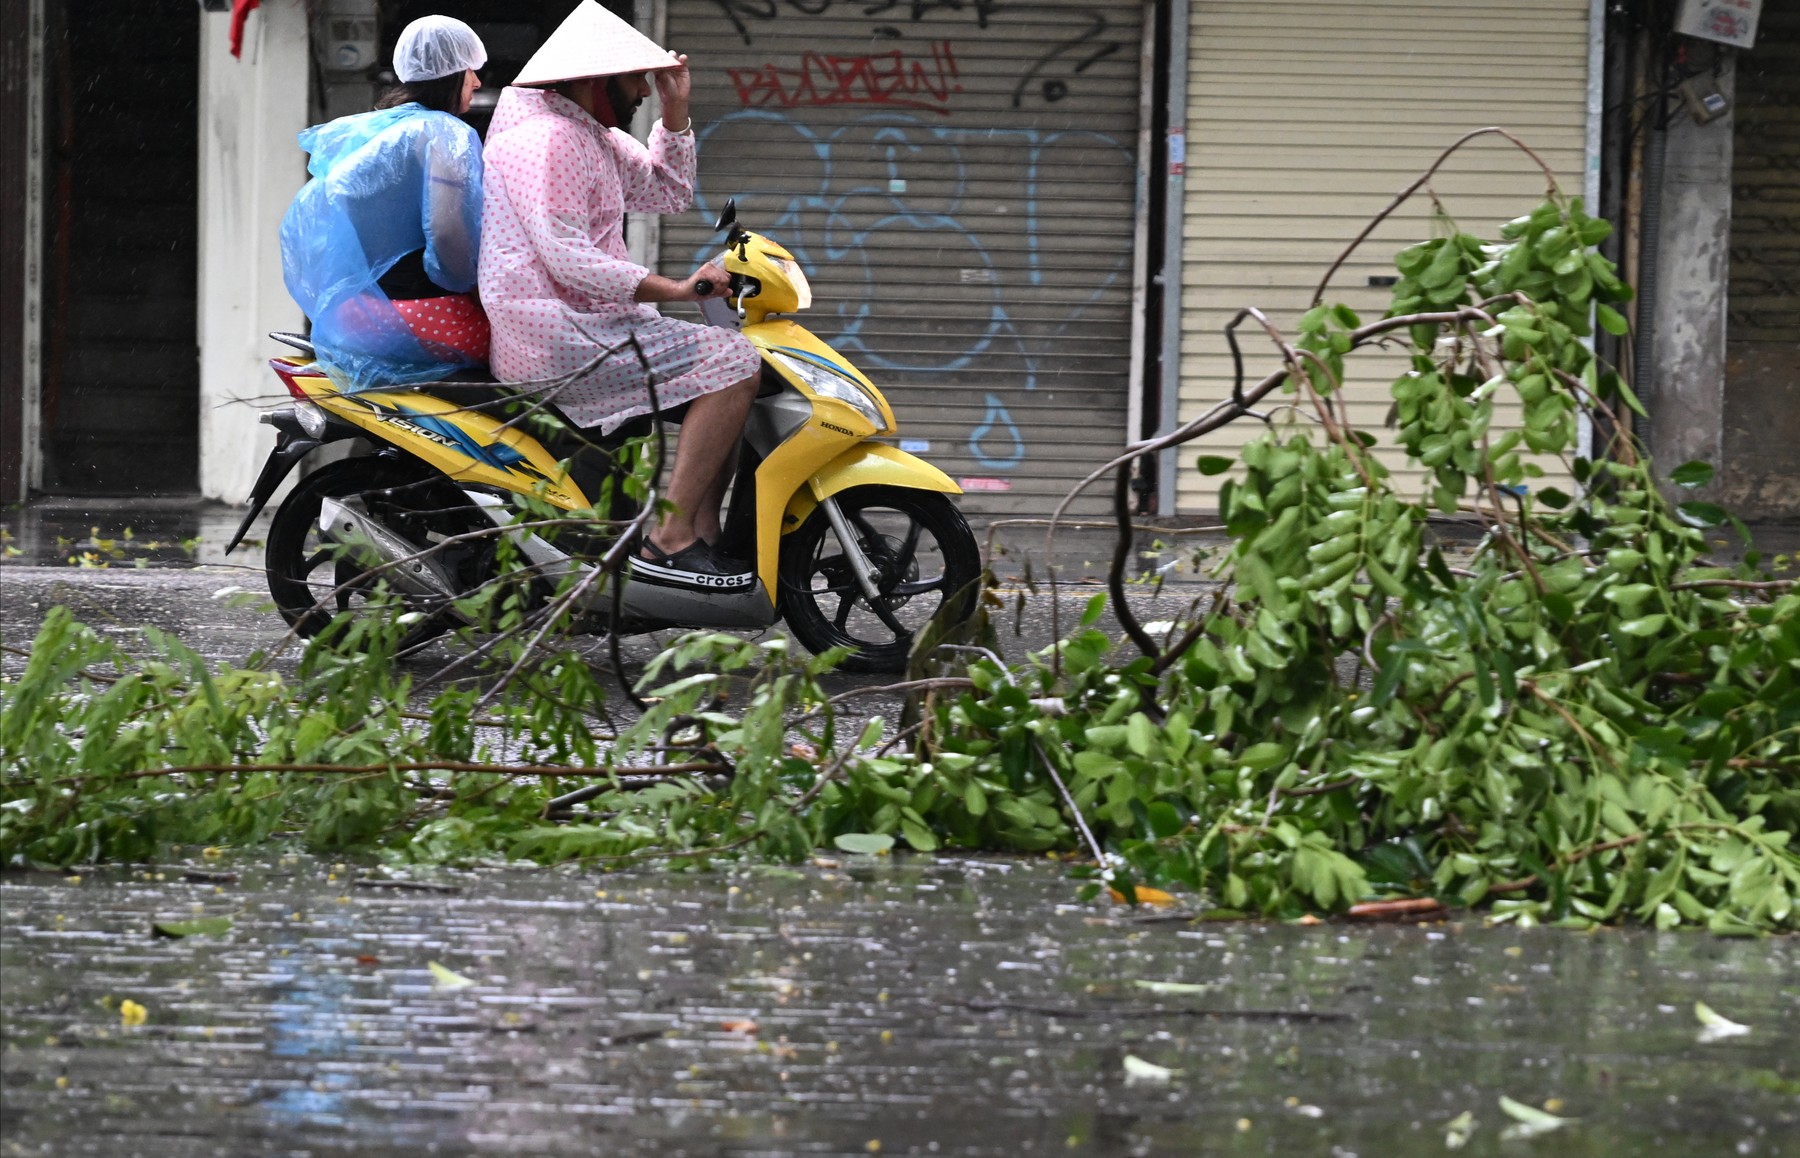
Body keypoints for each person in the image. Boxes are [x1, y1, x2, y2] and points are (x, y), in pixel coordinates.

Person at [479, 0, 760, 588]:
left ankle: (702, 535)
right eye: (636, 79)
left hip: (591, 322)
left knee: (731, 363)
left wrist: (676, 109)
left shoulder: (590, 135)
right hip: (557, 331)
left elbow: (669, 191)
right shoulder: (547, 139)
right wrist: (677, 290)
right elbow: (565, 255)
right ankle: (673, 538)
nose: (642, 91)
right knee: (733, 362)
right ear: (592, 79)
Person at [280, 16, 488, 391]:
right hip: (423, 318)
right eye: (471, 70)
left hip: (352, 319)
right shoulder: (445, 133)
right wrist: (469, 283)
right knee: (533, 356)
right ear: (451, 73)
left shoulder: (370, 131)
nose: (477, 82)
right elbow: (448, 240)